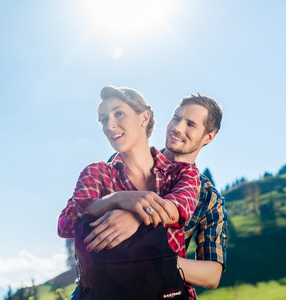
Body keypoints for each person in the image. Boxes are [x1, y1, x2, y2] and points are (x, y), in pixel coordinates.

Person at [67, 93, 227, 299]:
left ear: (209, 137)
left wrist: (149, 256)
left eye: (191, 124)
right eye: (176, 118)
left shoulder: (209, 198)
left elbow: (212, 275)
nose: (178, 128)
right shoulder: (119, 164)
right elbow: (74, 221)